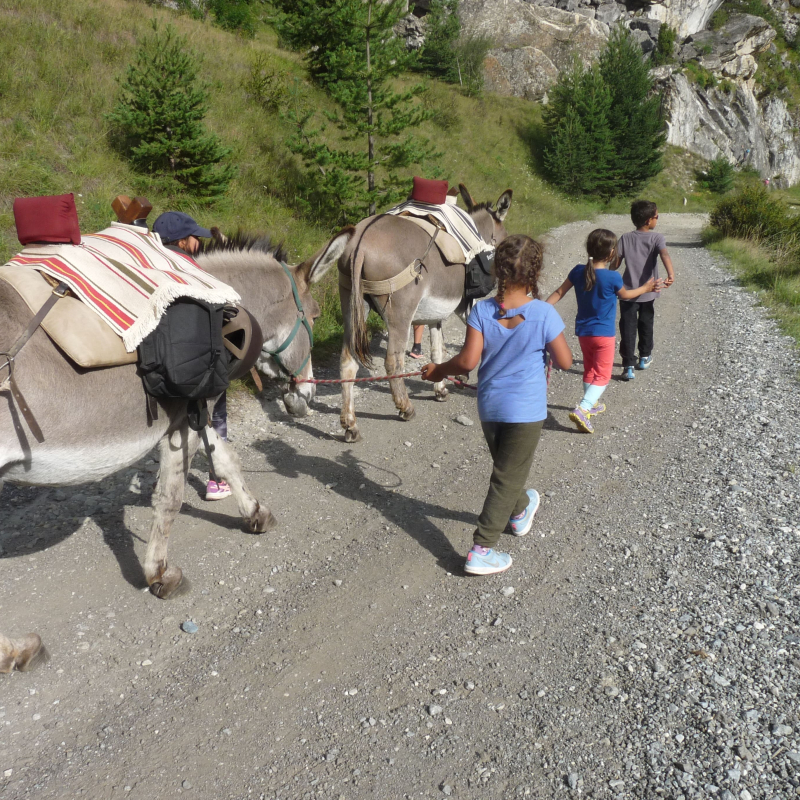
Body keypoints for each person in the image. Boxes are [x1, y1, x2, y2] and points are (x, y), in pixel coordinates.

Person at [421, 235, 573, 576]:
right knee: (505, 476)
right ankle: (482, 548)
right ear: (535, 272)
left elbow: (466, 362)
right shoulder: (543, 313)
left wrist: (437, 371)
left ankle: (519, 512)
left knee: (508, 470)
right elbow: (565, 361)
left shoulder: (483, 311)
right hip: (526, 411)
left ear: (496, 269)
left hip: (490, 407)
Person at [547, 229, 662, 434]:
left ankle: (592, 404)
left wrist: (543, 308)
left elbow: (559, 292)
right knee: (603, 375)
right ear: (611, 253)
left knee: (590, 369)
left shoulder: (577, 271)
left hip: (584, 334)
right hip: (604, 335)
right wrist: (646, 289)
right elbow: (626, 295)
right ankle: (583, 408)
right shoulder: (612, 277)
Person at [152, 211, 231, 501]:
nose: (199, 243)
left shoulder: (149, 266)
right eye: (195, 238)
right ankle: (217, 480)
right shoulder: (194, 271)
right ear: (183, 243)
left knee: (168, 421)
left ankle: (163, 477)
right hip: (197, 363)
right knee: (214, 413)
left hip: (159, 364)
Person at [613, 200, 674, 381]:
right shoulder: (657, 238)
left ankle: (628, 365)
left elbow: (615, 262)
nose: (657, 220)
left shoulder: (625, 238)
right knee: (646, 325)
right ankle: (644, 357)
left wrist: (606, 274)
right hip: (648, 294)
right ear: (649, 220)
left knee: (627, 328)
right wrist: (671, 274)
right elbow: (664, 254)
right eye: (656, 217)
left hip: (627, 293)